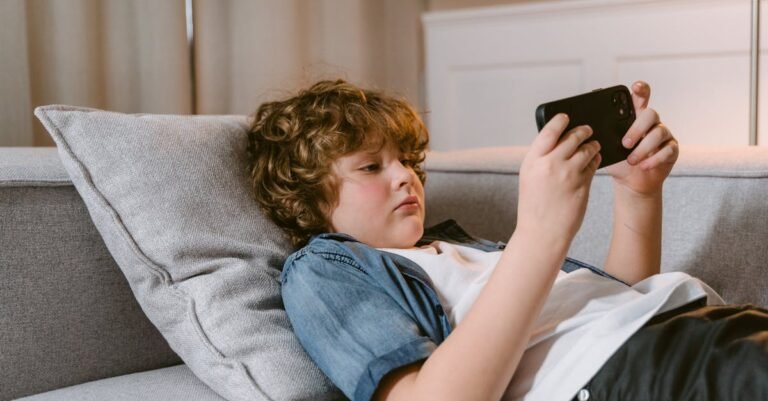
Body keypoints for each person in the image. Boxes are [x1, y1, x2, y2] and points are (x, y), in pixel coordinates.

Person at [246, 79, 768, 401]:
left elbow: (617, 300)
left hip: (686, 328)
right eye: (370, 166)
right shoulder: (324, 269)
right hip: (626, 370)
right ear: (305, 199)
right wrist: (540, 232)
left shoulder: (458, 246)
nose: (405, 176)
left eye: (405, 161)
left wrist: (639, 193)